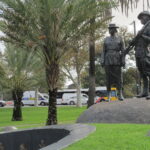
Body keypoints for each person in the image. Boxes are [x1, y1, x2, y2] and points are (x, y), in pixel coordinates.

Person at [126, 11, 150, 99]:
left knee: (148, 72)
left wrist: (142, 35)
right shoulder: (143, 27)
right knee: (142, 73)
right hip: (138, 53)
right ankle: (145, 92)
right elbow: (136, 40)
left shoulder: (149, 26)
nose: (140, 20)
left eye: (142, 18)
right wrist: (132, 41)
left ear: (147, 17)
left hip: (144, 52)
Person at [101, 24, 125, 101]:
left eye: (111, 29)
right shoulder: (106, 39)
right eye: (109, 29)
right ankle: (108, 95)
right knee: (108, 78)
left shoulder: (120, 38)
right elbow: (103, 51)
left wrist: (123, 60)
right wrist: (102, 60)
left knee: (119, 77)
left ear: (115, 30)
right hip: (108, 59)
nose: (110, 30)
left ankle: (120, 94)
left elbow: (123, 51)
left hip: (117, 59)